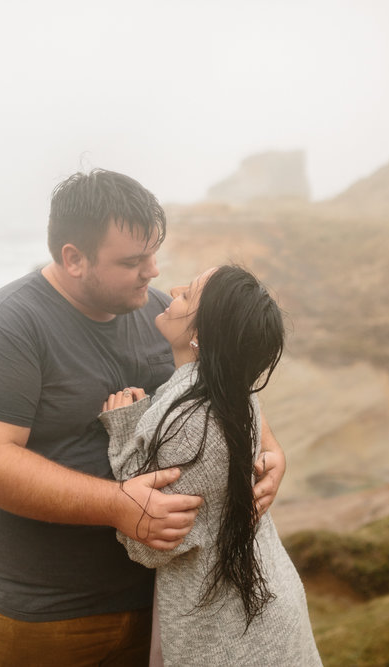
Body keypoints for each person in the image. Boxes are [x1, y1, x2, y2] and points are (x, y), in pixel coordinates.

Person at [0, 170, 288, 665]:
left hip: (161, 604)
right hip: (48, 613)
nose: (154, 272)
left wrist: (270, 451)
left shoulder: (161, 312)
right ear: (73, 258)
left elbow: (224, 383)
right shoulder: (6, 328)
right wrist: (117, 505)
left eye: (152, 253)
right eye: (132, 261)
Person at [99, 265, 322, 666]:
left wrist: (124, 428)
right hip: (264, 604)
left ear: (201, 335)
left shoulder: (188, 424)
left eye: (188, 295)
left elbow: (147, 543)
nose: (173, 290)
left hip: (232, 635)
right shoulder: (234, 391)